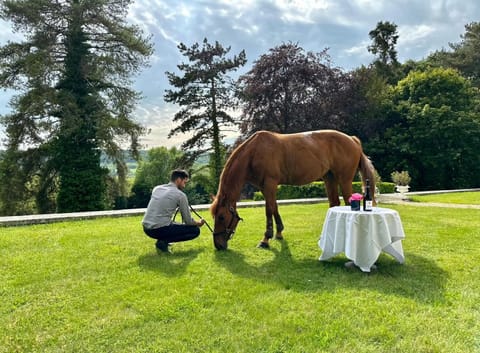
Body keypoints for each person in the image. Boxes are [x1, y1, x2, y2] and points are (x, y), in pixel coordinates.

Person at [142, 169, 205, 253]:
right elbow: (188, 221)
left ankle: (163, 240)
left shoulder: (157, 188)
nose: (184, 186)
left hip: (146, 228)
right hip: (158, 229)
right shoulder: (180, 195)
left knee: (174, 224)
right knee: (195, 231)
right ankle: (163, 242)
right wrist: (199, 223)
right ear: (178, 180)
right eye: (184, 182)